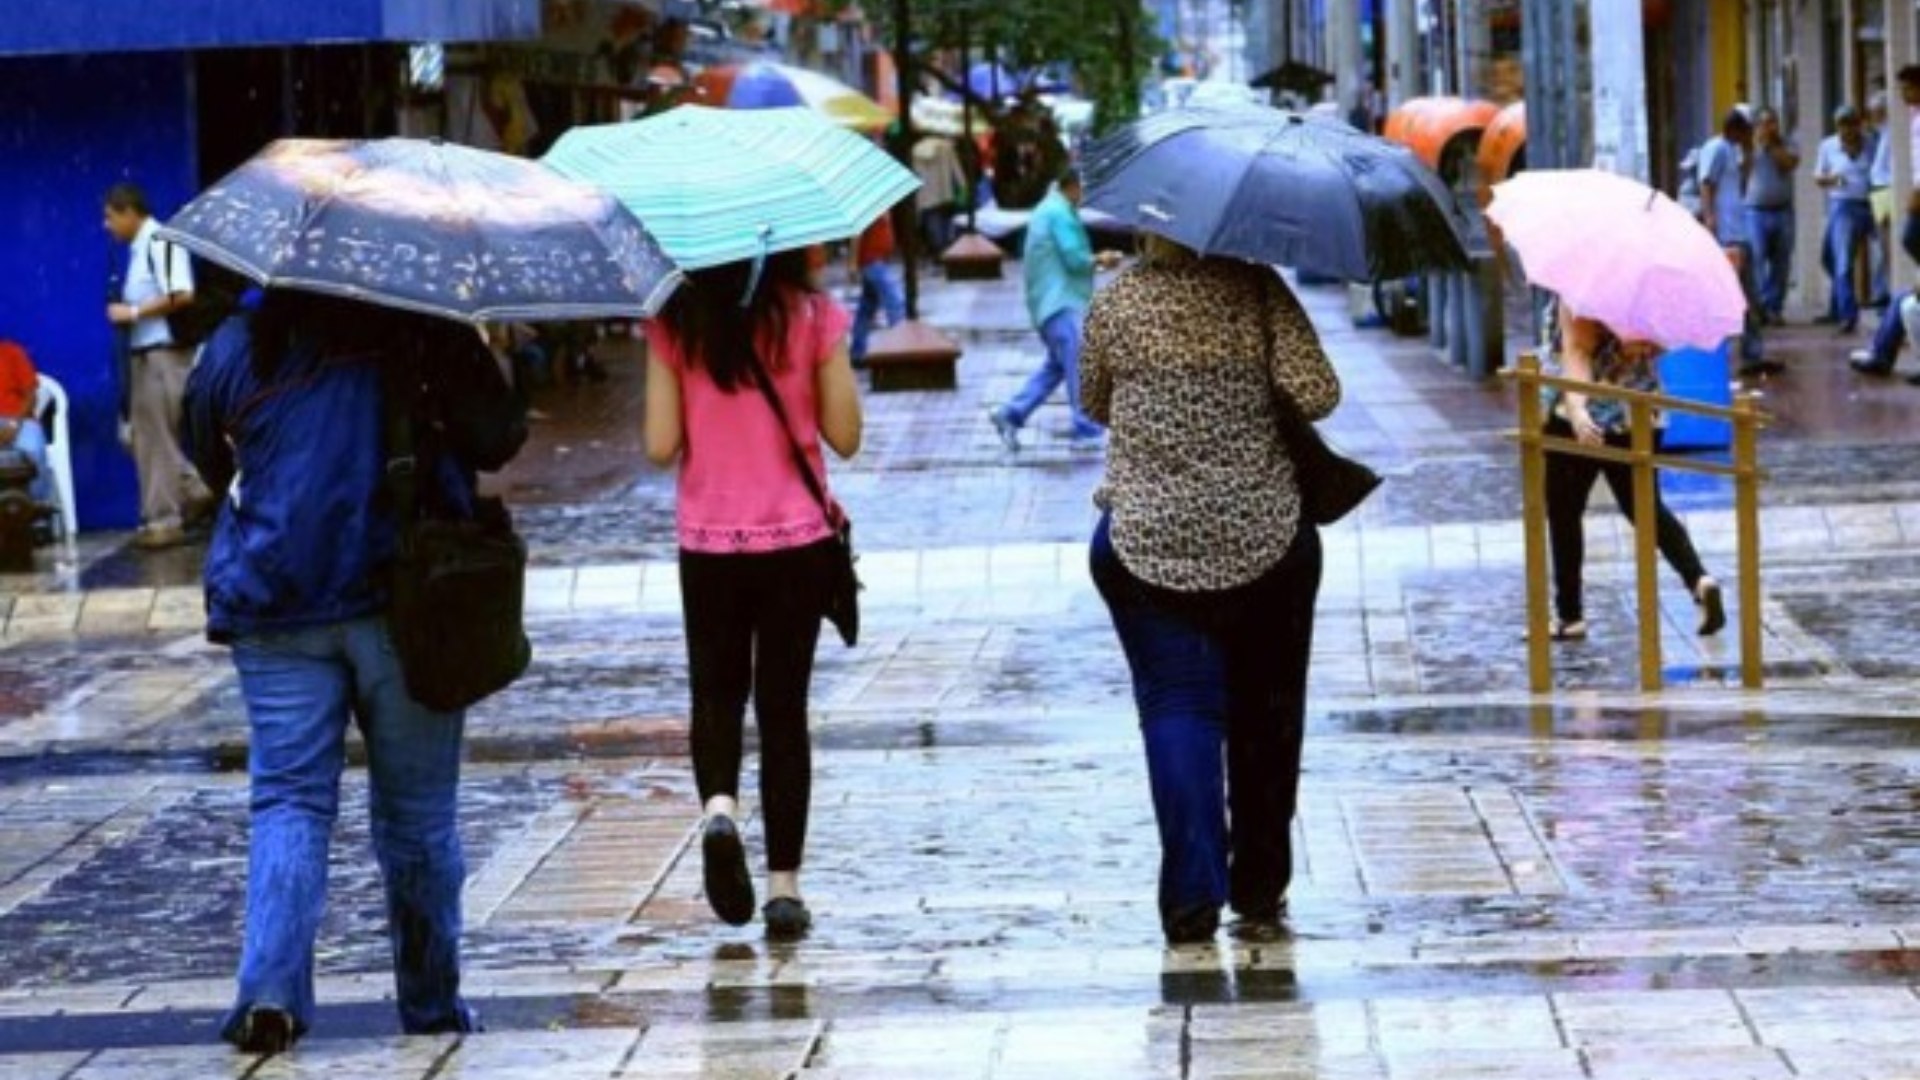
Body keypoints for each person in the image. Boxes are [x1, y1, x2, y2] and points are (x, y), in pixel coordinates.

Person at [182, 291, 527, 1055]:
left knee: (289, 798)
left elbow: (206, 449)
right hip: (406, 605)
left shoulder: (242, 341)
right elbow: (497, 436)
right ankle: (433, 1004)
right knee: (418, 819)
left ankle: (269, 992)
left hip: (276, 601)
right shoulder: (425, 328)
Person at [1081, 234, 1339, 946]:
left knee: (1178, 708)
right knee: (1267, 713)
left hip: (1146, 542)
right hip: (1265, 533)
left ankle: (1191, 897)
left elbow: (1094, 400)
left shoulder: (1118, 300)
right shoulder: (1257, 289)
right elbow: (1320, 393)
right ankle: (1258, 885)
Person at [644, 248, 863, 941]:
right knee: (783, 709)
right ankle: (784, 888)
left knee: (715, 692)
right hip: (796, 541)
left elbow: (658, 442)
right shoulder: (811, 316)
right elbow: (846, 437)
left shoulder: (675, 323)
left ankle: (719, 810)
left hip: (708, 542)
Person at [1539, 300, 1725, 644]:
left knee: (1564, 510)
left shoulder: (1580, 288)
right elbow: (1664, 343)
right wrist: (1637, 346)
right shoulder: (1647, 290)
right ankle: (1698, 579)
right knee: (1645, 506)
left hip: (1584, 420)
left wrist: (1579, 411)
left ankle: (1570, 614)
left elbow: (1577, 352)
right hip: (1640, 413)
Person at [103, 182, 213, 549]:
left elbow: (182, 293)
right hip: (144, 354)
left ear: (129, 212)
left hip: (161, 354)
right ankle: (196, 489)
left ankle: (164, 520)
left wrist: (130, 312)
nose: (107, 226)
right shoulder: (139, 249)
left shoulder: (160, 242)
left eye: (110, 216)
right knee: (145, 438)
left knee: (156, 440)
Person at [989, 170, 1119, 451]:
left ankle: (1011, 414)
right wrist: (1102, 258)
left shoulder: (1049, 209)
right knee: (1078, 364)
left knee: (1056, 367)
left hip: (1048, 304)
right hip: (1061, 302)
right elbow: (1074, 258)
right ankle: (1087, 426)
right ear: (1074, 186)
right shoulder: (1060, 213)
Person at [1853, 67, 1920, 377]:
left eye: (1909, 89)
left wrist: (1915, 201)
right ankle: (1881, 352)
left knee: (1910, 293)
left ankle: (1881, 352)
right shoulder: (1913, 120)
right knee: (1907, 297)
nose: (1905, 96)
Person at [1698, 108, 1768, 373]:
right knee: (1741, 292)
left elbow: (1742, 181)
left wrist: (1749, 152)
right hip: (1728, 233)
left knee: (1748, 292)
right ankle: (1739, 349)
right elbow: (1707, 183)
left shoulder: (1731, 150)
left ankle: (1752, 349)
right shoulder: (1717, 149)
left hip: (1738, 228)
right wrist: (1710, 218)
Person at [1815, 106, 1877, 336]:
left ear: (1858, 125)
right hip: (1841, 205)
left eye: (1851, 124)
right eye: (1842, 124)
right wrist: (1833, 179)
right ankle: (1838, 306)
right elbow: (1818, 177)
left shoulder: (1871, 144)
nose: (1847, 129)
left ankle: (1847, 314)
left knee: (1843, 262)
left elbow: (1880, 171)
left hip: (1868, 204)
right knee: (1829, 258)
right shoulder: (1828, 146)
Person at [1743, 107, 1800, 327]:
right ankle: (1757, 307)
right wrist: (1756, 146)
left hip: (1783, 210)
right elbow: (1743, 168)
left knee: (1781, 262)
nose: (1769, 127)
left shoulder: (1787, 143)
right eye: (1764, 123)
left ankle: (1774, 307)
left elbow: (1789, 164)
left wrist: (1772, 146)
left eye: (1772, 122)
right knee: (1756, 259)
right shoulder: (1749, 145)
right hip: (1755, 211)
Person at [848, 213, 907, 368]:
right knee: (894, 302)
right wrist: (852, 263)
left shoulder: (881, 207)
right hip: (872, 261)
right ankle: (902, 346)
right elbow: (857, 234)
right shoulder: (868, 207)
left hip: (878, 260)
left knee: (866, 308)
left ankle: (857, 351)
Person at [0, 339, 51, 510]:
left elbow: (31, 395)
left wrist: (15, 424)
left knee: (33, 449)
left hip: (19, 419)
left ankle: (36, 510)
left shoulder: (12, 352)